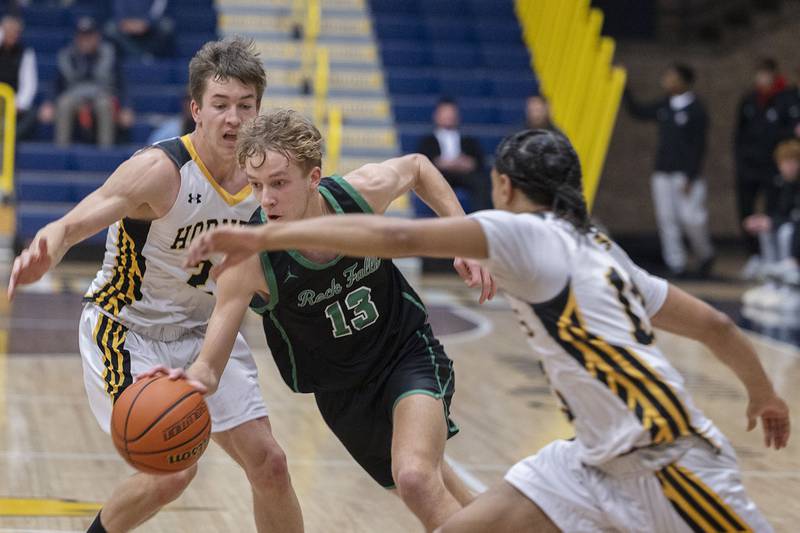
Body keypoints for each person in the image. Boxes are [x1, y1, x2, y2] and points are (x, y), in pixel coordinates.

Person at [186, 129, 790, 533]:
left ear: (503, 188)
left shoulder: (521, 234)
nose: (266, 199)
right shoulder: (601, 249)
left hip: (666, 456)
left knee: (419, 477)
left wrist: (263, 236)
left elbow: (397, 236)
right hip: (590, 460)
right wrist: (762, 392)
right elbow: (713, 322)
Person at [143, 108, 494, 531]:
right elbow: (211, 360)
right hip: (342, 395)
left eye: (279, 183)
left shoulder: (356, 196)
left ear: (313, 178)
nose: (266, 198)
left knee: (417, 477)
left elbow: (418, 167)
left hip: (404, 353)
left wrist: (463, 237)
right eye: (256, 186)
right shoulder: (249, 260)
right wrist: (192, 381)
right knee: (438, 486)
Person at [7, 37, 303, 533]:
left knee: (270, 464)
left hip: (204, 335)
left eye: (246, 106)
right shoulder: (162, 170)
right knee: (172, 471)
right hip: (126, 330)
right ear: (197, 110)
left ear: (259, 110)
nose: (233, 119)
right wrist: (51, 243)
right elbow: (86, 214)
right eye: (221, 105)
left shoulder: (264, 180)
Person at [624, 63, 714, 278]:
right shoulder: (665, 105)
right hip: (663, 171)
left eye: (671, 77)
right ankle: (676, 263)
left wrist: (691, 175)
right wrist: (624, 88)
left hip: (686, 174)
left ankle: (706, 254)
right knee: (667, 219)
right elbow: (638, 111)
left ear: (684, 81)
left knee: (692, 218)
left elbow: (699, 145)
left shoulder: (696, 109)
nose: (666, 81)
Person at [38, 17, 133, 147]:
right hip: (74, 96)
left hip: (102, 95)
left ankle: (106, 152)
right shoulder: (66, 55)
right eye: (82, 37)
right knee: (64, 103)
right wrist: (48, 103)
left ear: (97, 37)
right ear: (77, 38)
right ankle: (61, 150)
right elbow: (56, 84)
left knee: (104, 105)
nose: (86, 41)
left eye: (89, 36)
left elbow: (121, 84)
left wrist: (126, 107)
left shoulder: (109, 53)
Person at [735, 58, 789, 273]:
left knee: (773, 210)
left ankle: (773, 258)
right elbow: (739, 134)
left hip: (773, 167)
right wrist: (741, 162)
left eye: (766, 74)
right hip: (749, 166)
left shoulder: (785, 100)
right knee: (746, 211)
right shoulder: (749, 100)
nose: (762, 78)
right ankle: (754, 255)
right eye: (759, 74)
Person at [741, 138, 800, 311]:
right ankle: (772, 281)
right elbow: (780, 213)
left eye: (791, 162)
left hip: (795, 237)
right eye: (783, 163)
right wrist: (764, 220)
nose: (787, 167)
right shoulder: (782, 184)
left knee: (786, 232)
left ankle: (791, 281)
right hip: (790, 226)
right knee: (766, 229)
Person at [417, 97, 490, 212]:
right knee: (434, 183)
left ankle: (480, 216)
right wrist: (442, 163)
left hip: (464, 174)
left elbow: (478, 161)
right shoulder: (428, 140)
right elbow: (422, 161)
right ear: (436, 115)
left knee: (481, 182)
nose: (448, 116)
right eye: (445, 113)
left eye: (451, 113)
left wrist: (467, 163)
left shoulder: (468, 139)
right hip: (440, 174)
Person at [0, 14, 38, 140]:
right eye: (8, 30)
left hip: (13, 103)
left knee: (32, 114)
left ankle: (8, 138)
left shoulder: (26, 53)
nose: (12, 34)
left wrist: (18, 104)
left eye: (15, 31)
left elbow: (29, 85)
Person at [104, 0, 174, 60]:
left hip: (149, 26)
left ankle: (150, 54)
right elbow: (119, 11)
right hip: (127, 24)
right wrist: (127, 23)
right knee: (110, 28)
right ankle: (132, 56)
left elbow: (157, 11)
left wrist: (147, 22)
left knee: (166, 25)